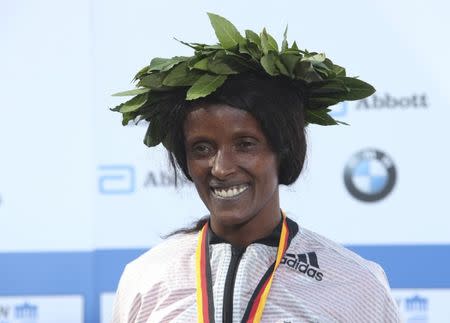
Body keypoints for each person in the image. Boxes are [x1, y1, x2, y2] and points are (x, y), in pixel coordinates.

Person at [111, 13, 400, 323]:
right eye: (202, 148)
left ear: (283, 149)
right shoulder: (146, 277)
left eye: (245, 144)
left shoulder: (355, 284)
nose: (220, 168)